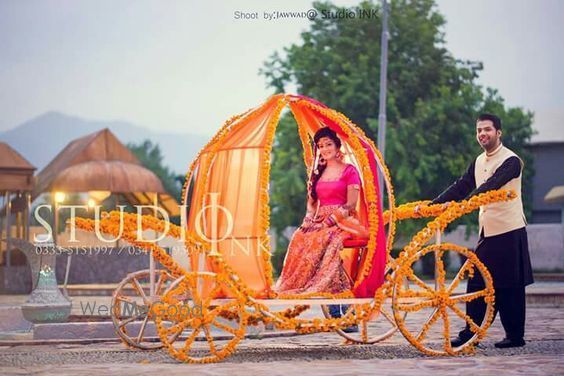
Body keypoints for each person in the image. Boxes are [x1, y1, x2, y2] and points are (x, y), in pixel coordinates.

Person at [416, 113, 534, 348]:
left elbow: (491, 187)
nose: (482, 134)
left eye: (487, 130)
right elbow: (461, 186)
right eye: (479, 130)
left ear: (498, 133)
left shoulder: (511, 161)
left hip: (510, 230)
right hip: (487, 231)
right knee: (478, 280)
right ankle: (471, 332)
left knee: (510, 285)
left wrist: (460, 207)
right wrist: (433, 206)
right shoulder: (479, 161)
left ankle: (514, 336)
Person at [274, 127, 367, 331]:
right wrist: (309, 220)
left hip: (343, 220)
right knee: (299, 237)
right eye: (321, 146)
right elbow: (312, 204)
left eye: (328, 144)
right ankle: (298, 286)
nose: (324, 149)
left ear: (337, 146)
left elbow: (351, 204)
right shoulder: (319, 172)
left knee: (326, 240)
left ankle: (342, 310)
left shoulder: (349, 170)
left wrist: (330, 221)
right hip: (319, 219)